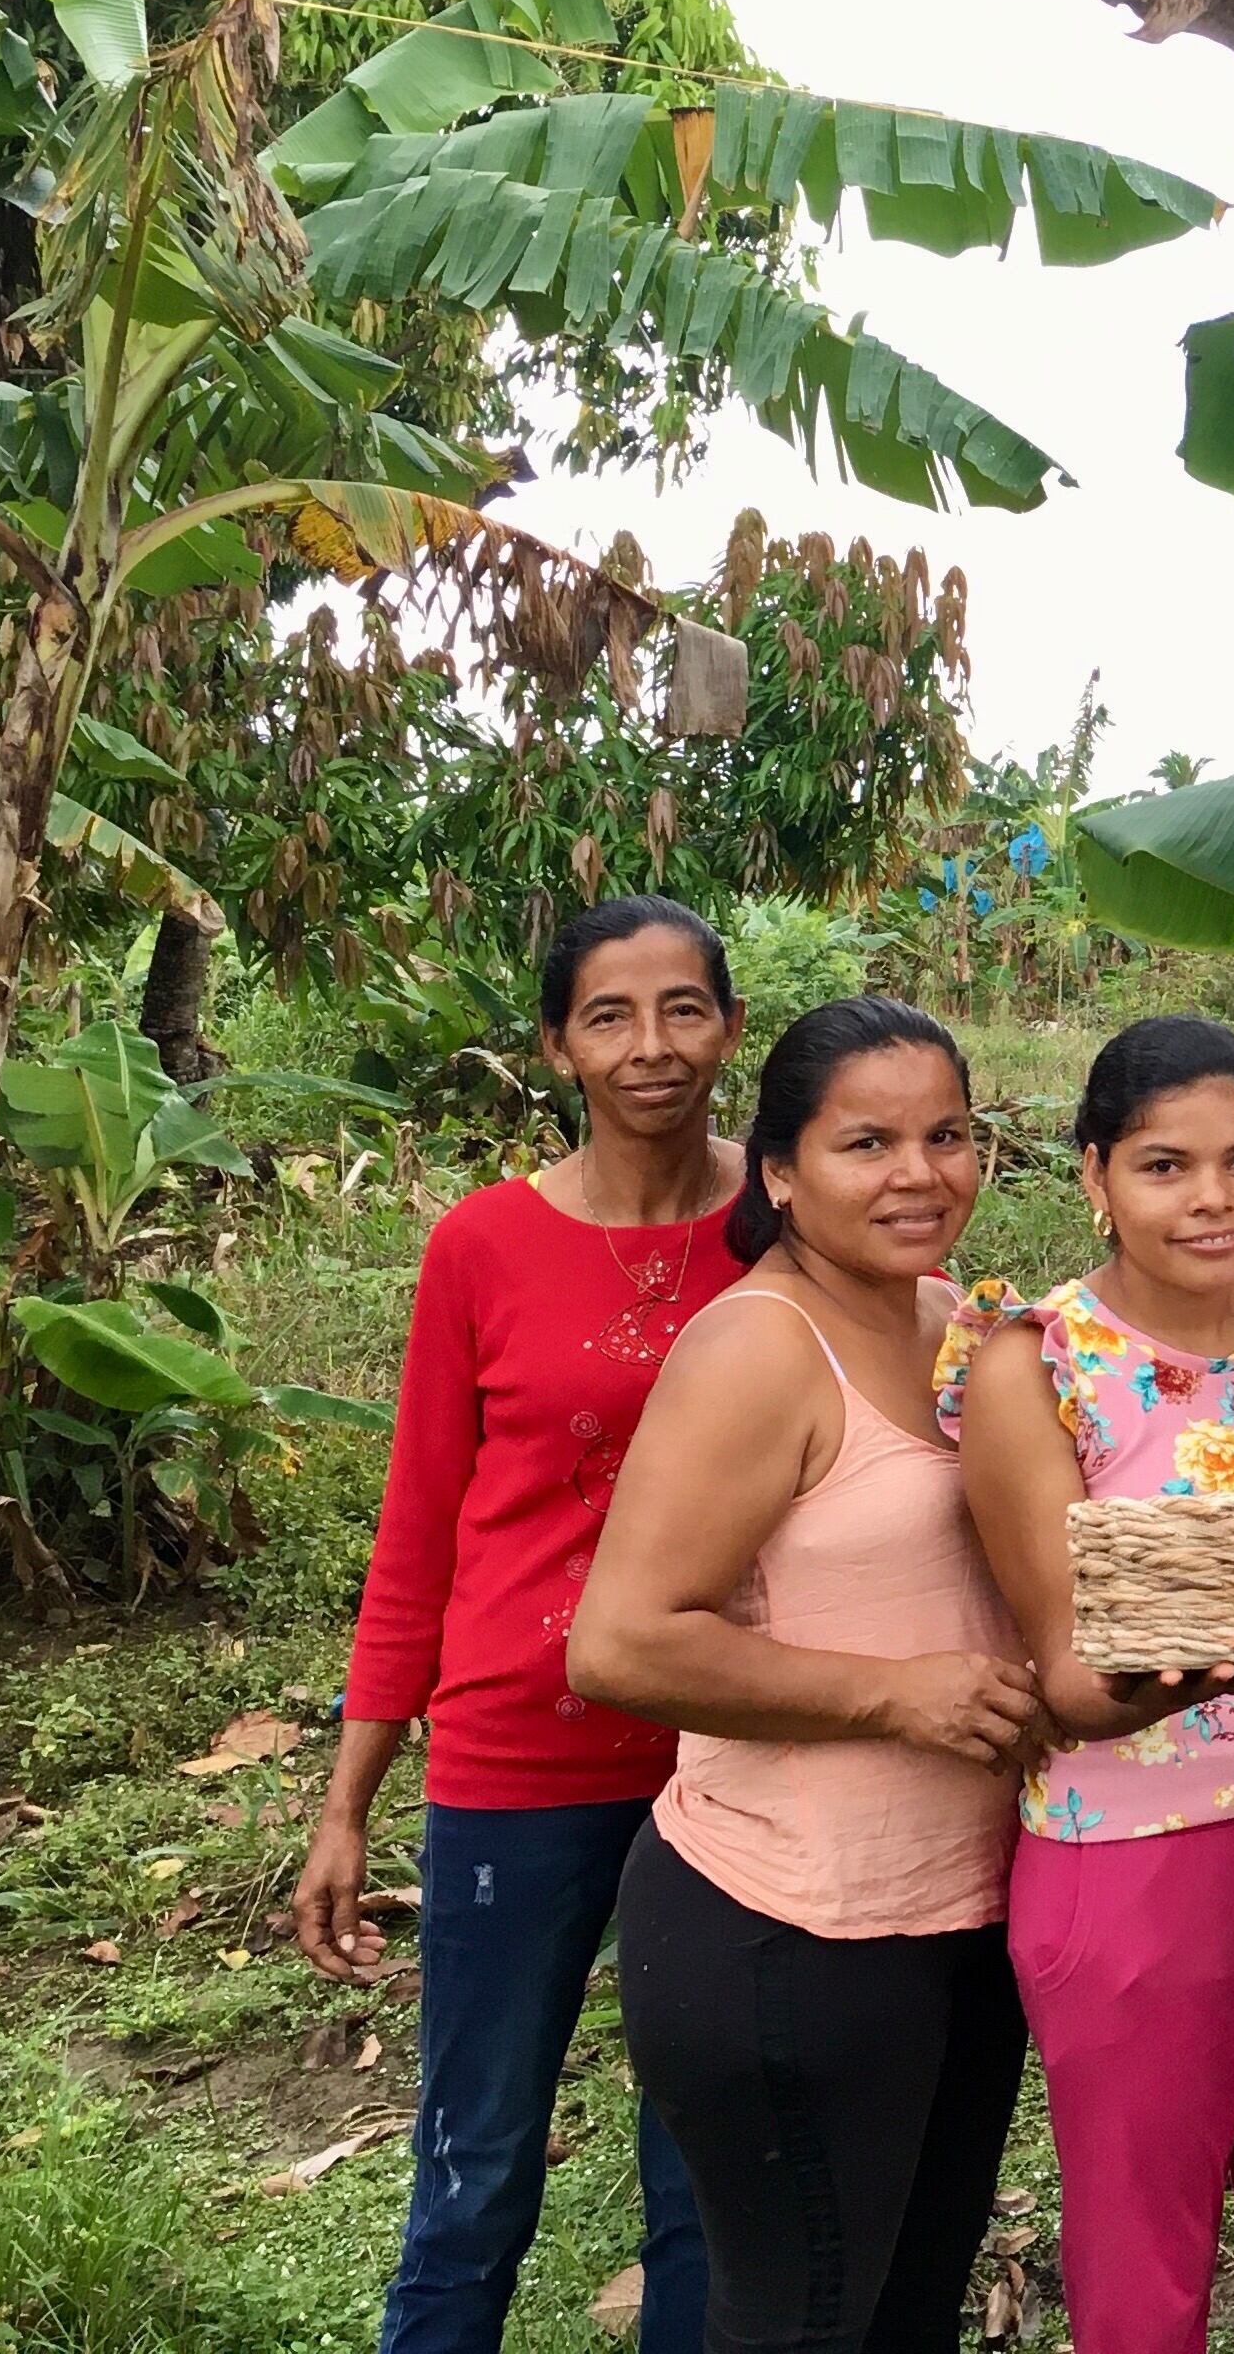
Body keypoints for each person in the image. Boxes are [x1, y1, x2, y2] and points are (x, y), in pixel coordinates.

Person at [568, 999, 1045, 2354]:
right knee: (802, 2323)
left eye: (947, 1135)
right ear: (779, 1171)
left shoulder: (951, 1319)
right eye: (867, 1144)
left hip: (960, 1912)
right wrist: (894, 1694)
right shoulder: (758, 1348)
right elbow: (622, 1640)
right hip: (790, 1927)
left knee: (909, 2313)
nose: (920, 1174)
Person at [303, 896, 742, 2354]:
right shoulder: (482, 1245)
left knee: (705, 2175)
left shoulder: (790, 1225)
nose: (651, 1045)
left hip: (733, 1761)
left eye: (683, 1008)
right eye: (610, 1015)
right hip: (517, 1762)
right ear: (558, 1046)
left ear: (730, 1027)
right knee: (475, 2163)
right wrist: (349, 1804)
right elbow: (419, 1531)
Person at [948, 1015, 1234, 2354]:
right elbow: (1065, 1671)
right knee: (1142, 2270)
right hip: (1130, 1859)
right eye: (1166, 1166)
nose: (1215, 1199)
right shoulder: (1037, 1364)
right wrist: (1207, 1670)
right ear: (1094, 1176)